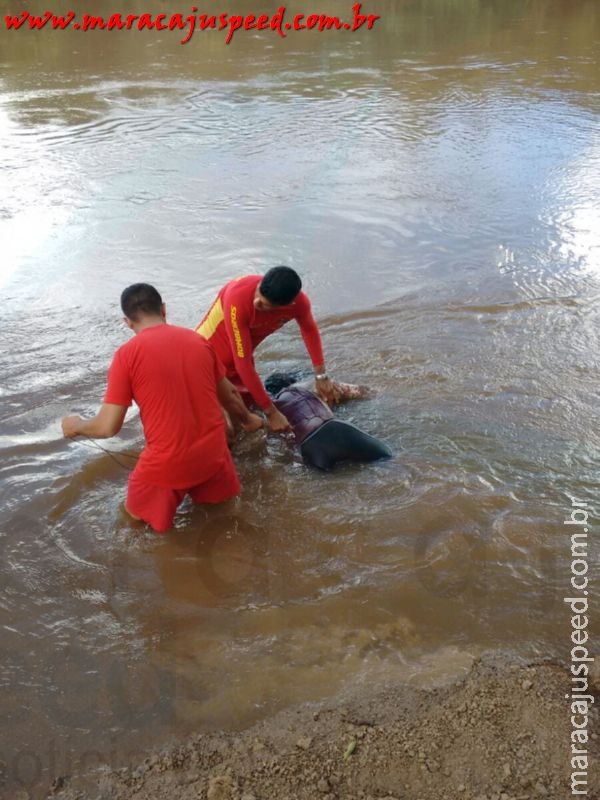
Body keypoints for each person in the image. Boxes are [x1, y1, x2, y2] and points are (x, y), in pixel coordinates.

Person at [61, 283, 263, 533]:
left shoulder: (126, 356)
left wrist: (76, 426)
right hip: (215, 456)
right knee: (223, 522)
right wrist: (248, 419)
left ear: (127, 322)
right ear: (164, 309)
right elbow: (231, 396)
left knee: (132, 525)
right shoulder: (198, 340)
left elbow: (107, 427)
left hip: (167, 464)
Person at [195, 266, 335, 433]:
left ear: (288, 305)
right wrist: (271, 412)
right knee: (227, 429)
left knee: (250, 416)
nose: (257, 303)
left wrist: (321, 376)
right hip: (206, 358)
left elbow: (309, 330)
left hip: (238, 359)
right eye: (258, 296)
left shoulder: (299, 304)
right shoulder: (238, 300)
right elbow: (243, 364)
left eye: (264, 305)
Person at [265, 372, 393, 470]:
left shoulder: (270, 408)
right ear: (291, 381)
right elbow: (357, 391)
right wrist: (377, 392)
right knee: (388, 460)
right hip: (337, 430)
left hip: (312, 448)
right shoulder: (308, 385)